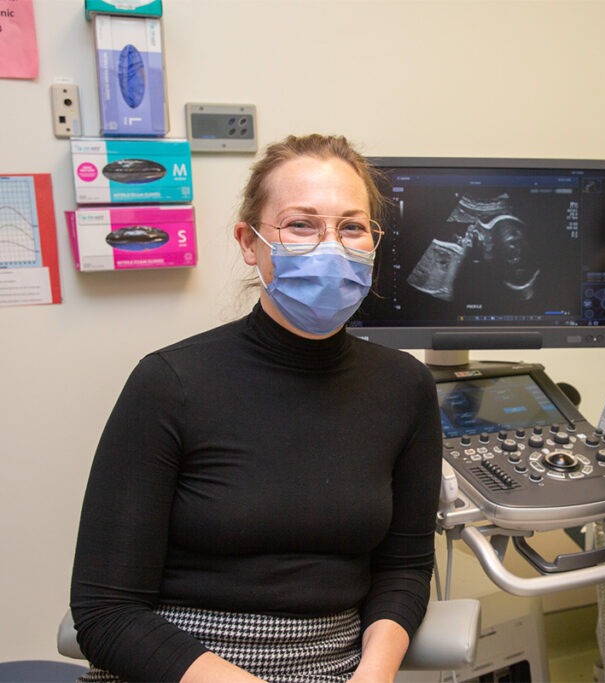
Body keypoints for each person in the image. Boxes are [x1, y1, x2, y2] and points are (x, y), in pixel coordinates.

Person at [70, 134, 443, 683]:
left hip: (338, 666)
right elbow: (106, 613)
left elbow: (405, 570)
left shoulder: (405, 386)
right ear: (250, 241)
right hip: (184, 666)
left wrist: (375, 673)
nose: (331, 247)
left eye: (352, 227)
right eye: (301, 224)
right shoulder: (170, 383)